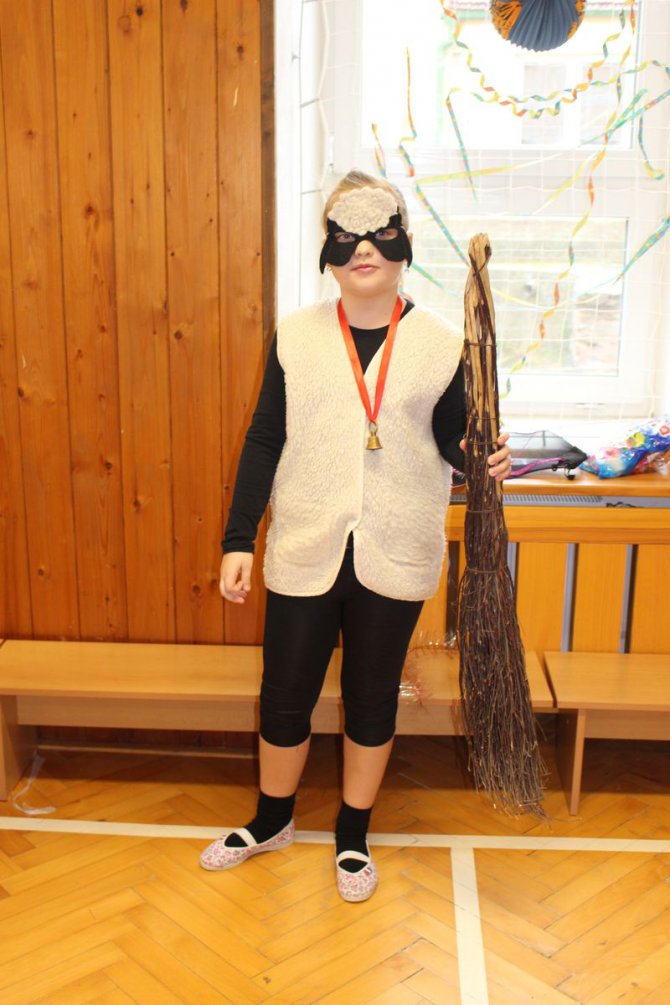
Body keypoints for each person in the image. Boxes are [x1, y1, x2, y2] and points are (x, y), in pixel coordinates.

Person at [200, 169, 512, 902]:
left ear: (403, 245)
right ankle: (272, 819)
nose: (364, 249)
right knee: (285, 693)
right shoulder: (296, 335)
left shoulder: (442, 345)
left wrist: (482, 456)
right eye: (348, 237)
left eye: (380, 235)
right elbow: (265, 437)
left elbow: (450, 439)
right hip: (305, 543)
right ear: (329, 252)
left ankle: (352, 833)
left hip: (394, 547)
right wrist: (239, 538)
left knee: (371, 696)